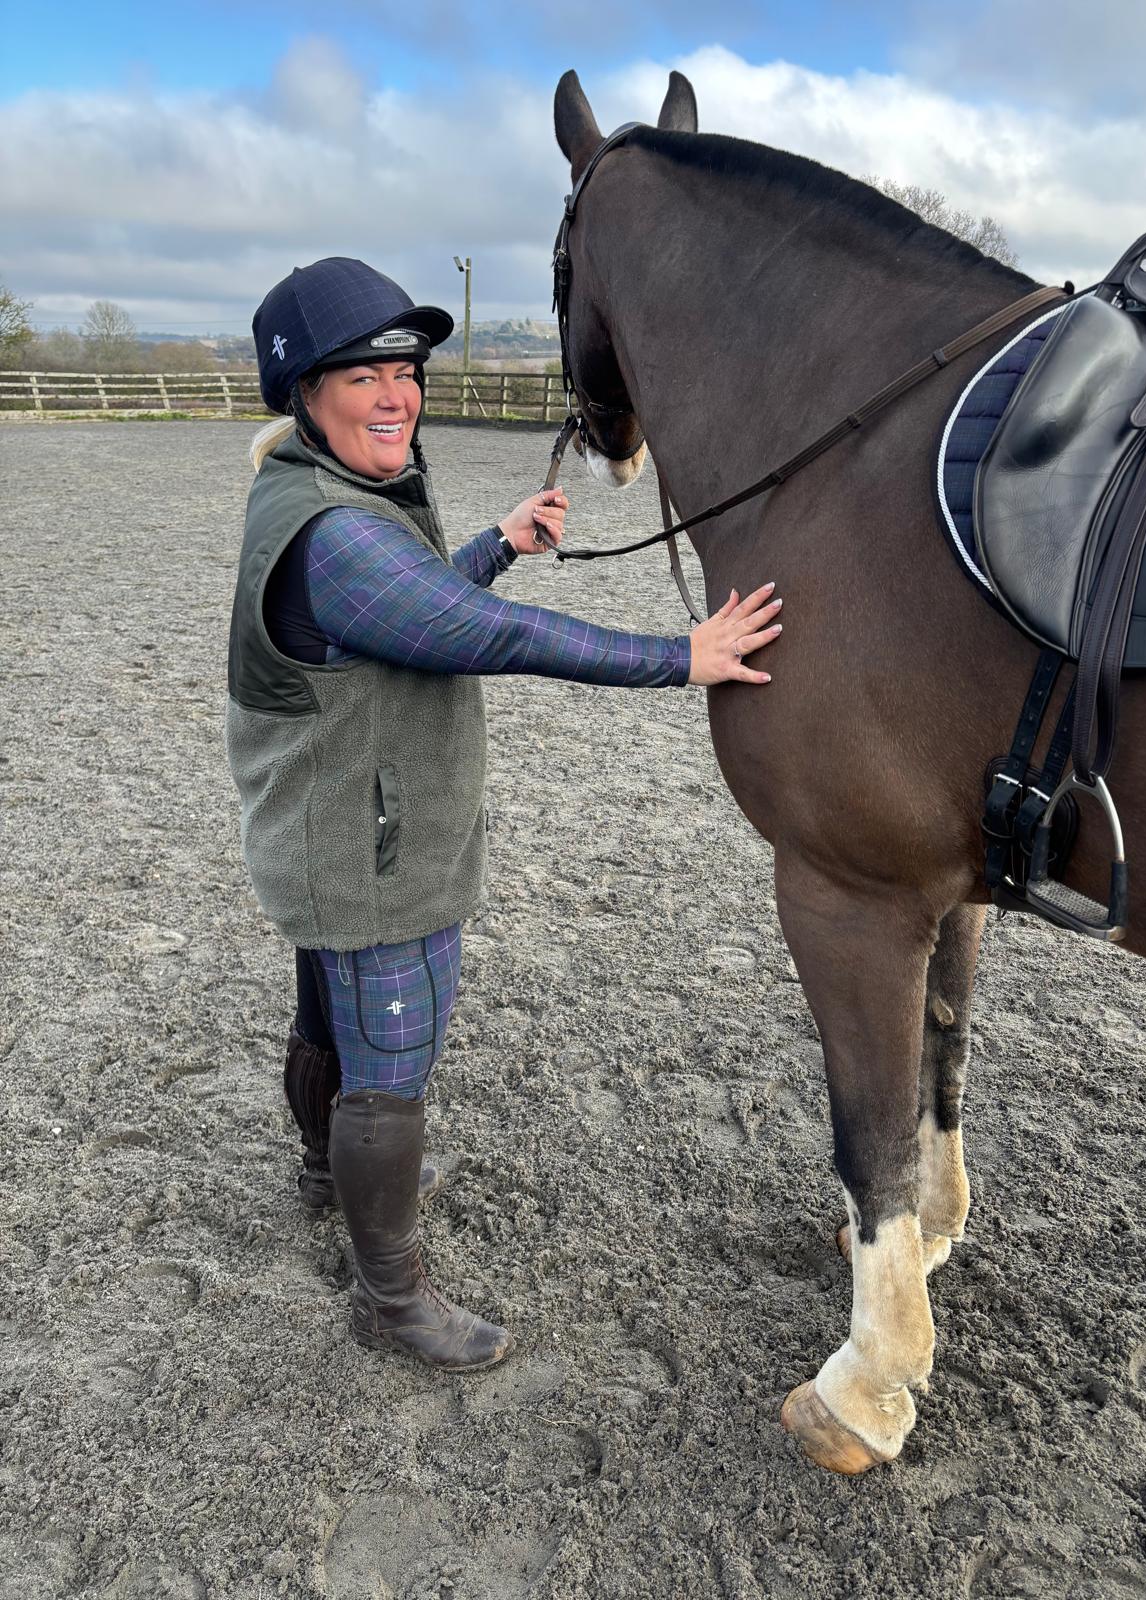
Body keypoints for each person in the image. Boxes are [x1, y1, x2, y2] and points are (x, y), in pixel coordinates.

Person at [225, 257, 783, 1374]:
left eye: (405, 368)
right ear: (304, 391)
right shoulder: (334, 536)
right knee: (391, 1062)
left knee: (330, 1018)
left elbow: (422, 598)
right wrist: (683, 657)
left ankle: (324, 1174)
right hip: (372, 845)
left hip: (328, 831)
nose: (397, 393)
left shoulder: (322, 493)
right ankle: (394, 1295)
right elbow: (487, 637)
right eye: (363, 373)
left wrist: (497, 542)